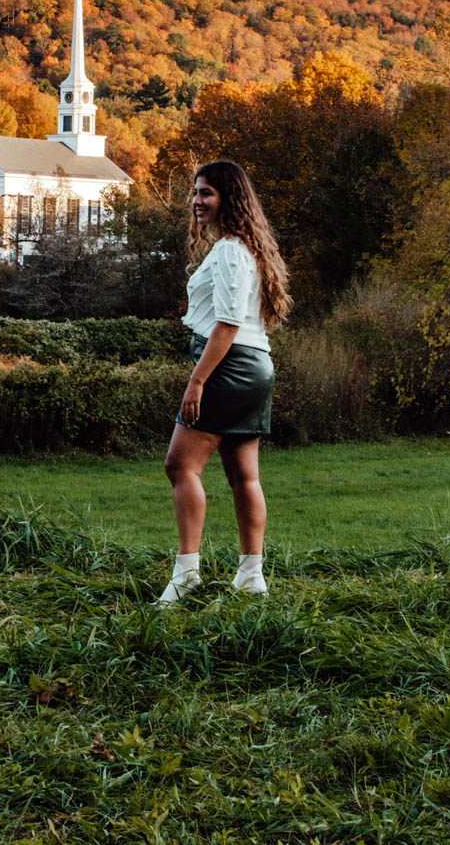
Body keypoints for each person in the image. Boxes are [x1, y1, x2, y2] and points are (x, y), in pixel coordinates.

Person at [157, 160, 291, 605]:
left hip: (229, 365)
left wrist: (196, 383)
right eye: (196, 192)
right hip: (254, 366)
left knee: (181, 465)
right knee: (243, 475)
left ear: (229, 199)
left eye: (207, 193)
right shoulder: (244, 248)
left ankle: (186, 575)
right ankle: (251, 576)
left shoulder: (233, 250)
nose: (197, 201)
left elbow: (228, 323)